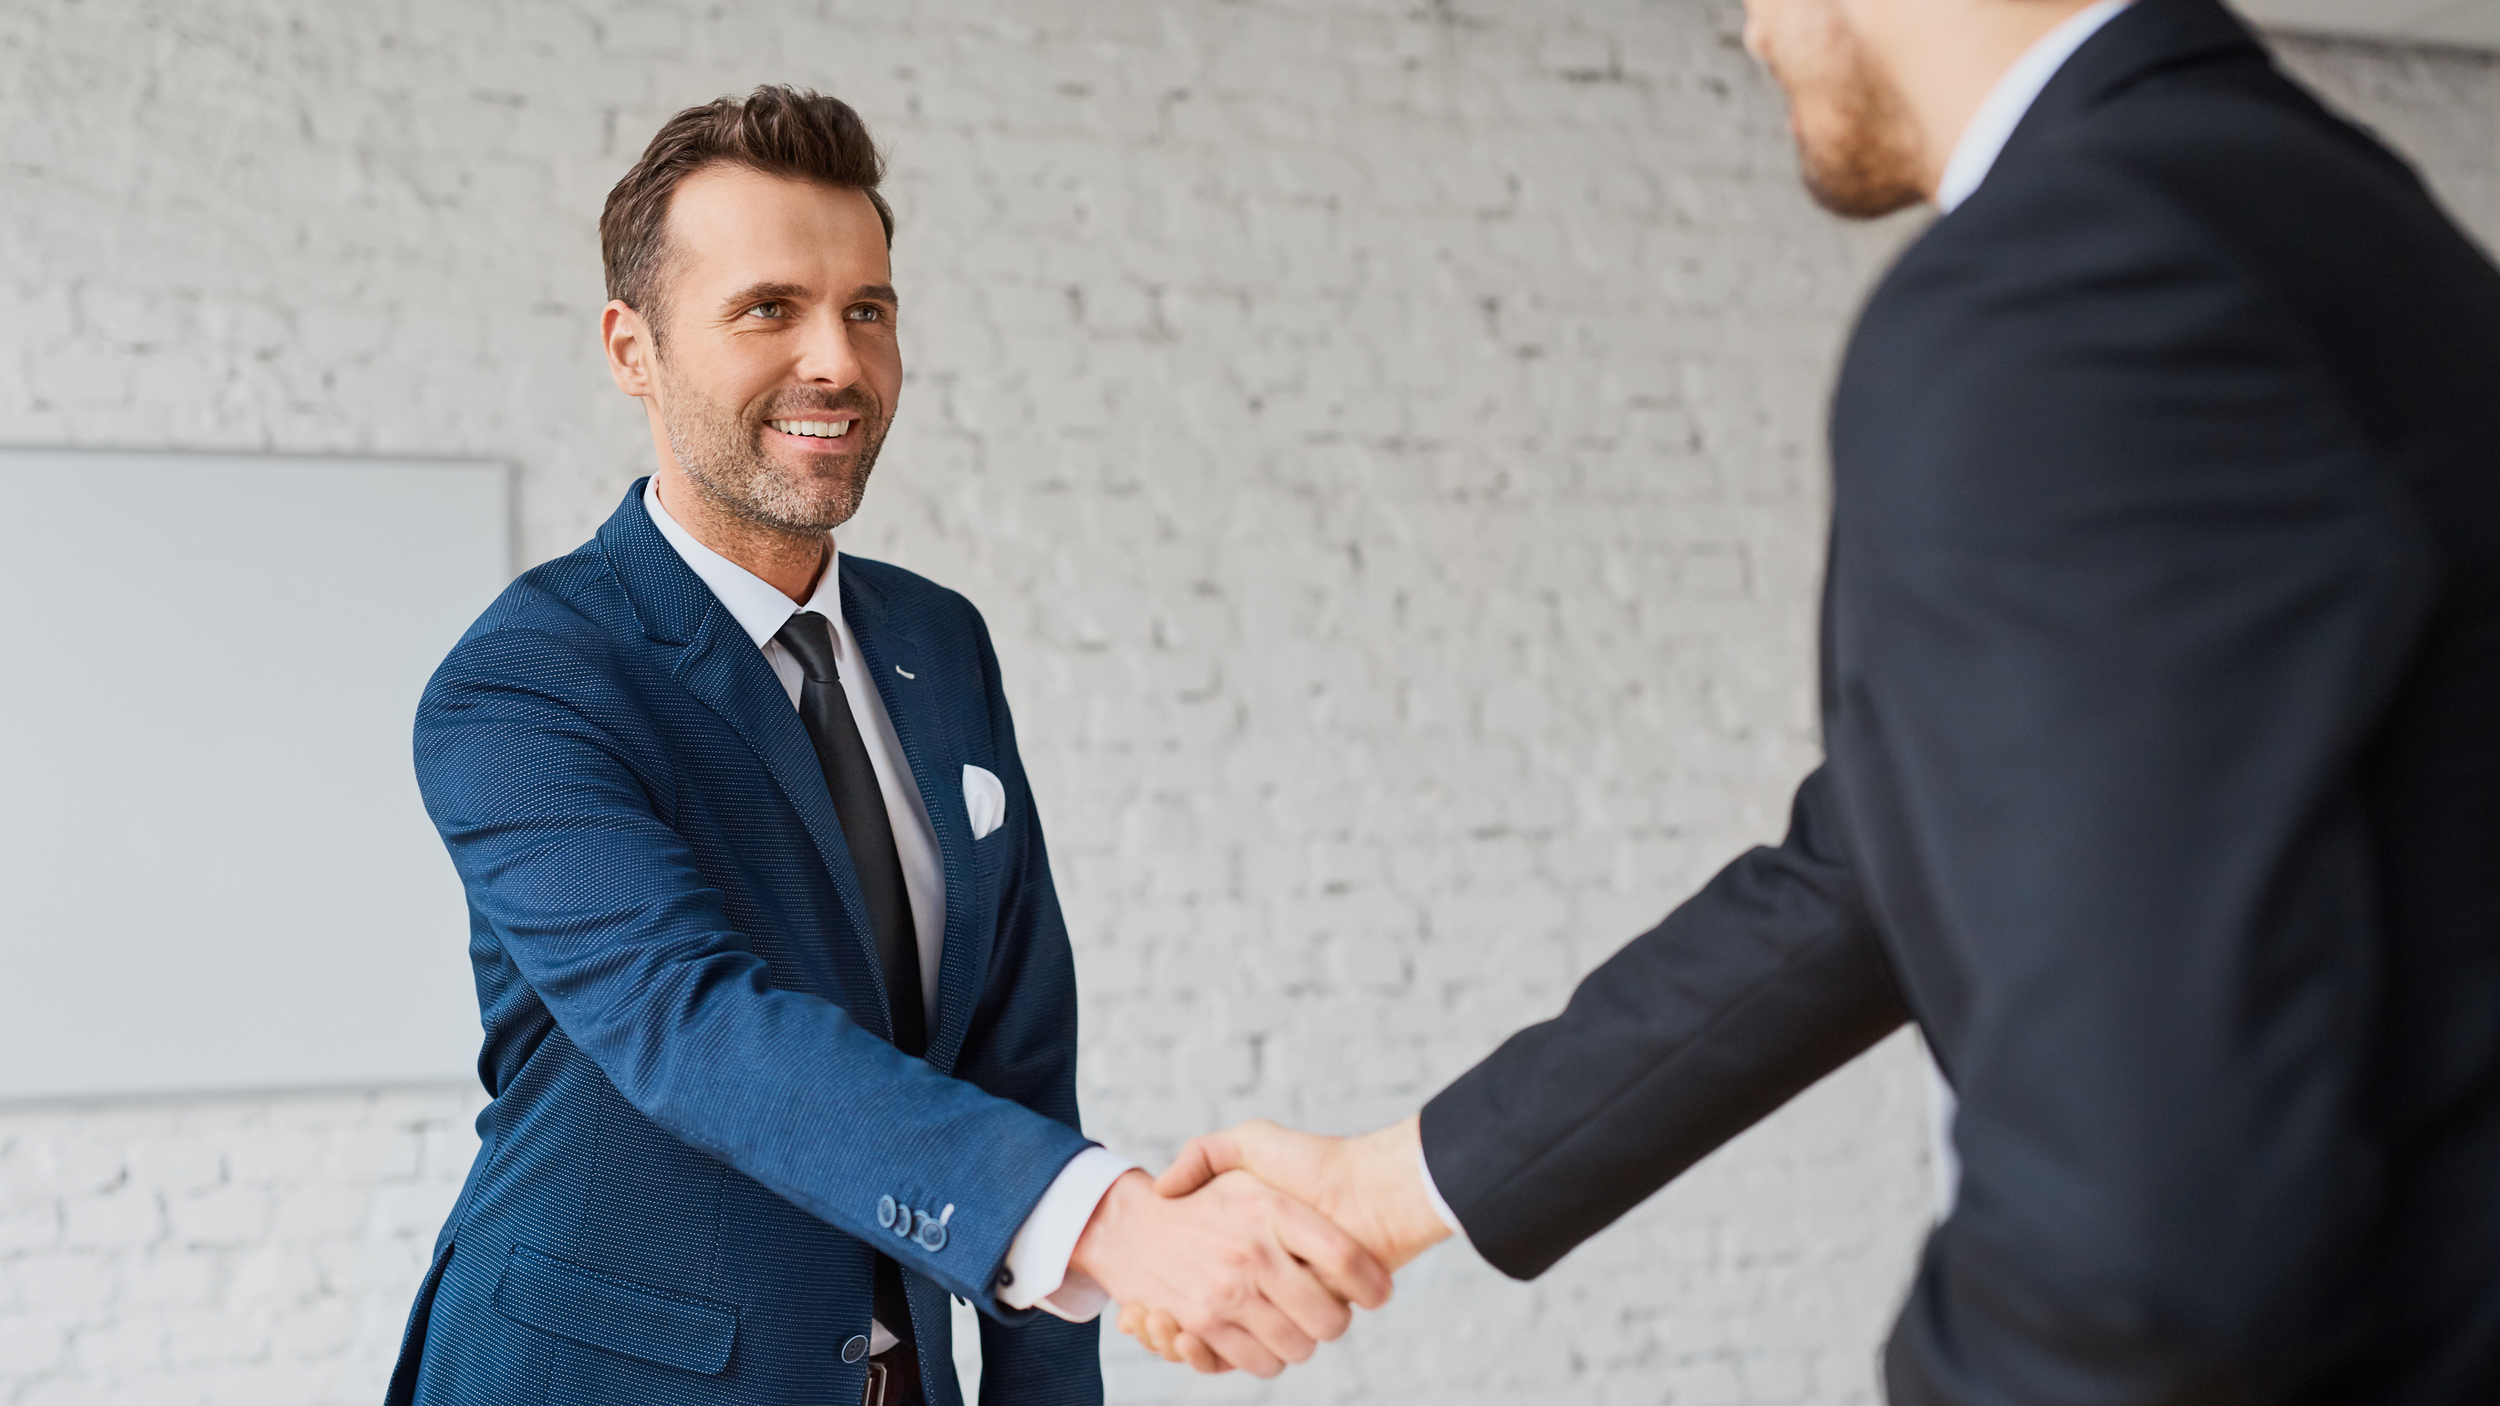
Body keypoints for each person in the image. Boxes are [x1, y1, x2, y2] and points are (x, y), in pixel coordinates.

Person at [1144, 0, 2500, 1400]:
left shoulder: (2063, 293)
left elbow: (2152, 1234)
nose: (1752, 31)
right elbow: (1866, 864)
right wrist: (1391, 1185)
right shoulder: (2346, 221)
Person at [385, 87, 1387, 1406]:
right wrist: (1118, 1224)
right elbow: (699, 1027)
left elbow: (1018, 1049)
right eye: (768, 308)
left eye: (868, 309)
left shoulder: (938, 641)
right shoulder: (527, 683)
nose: (838, 362)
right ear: (634, 348)